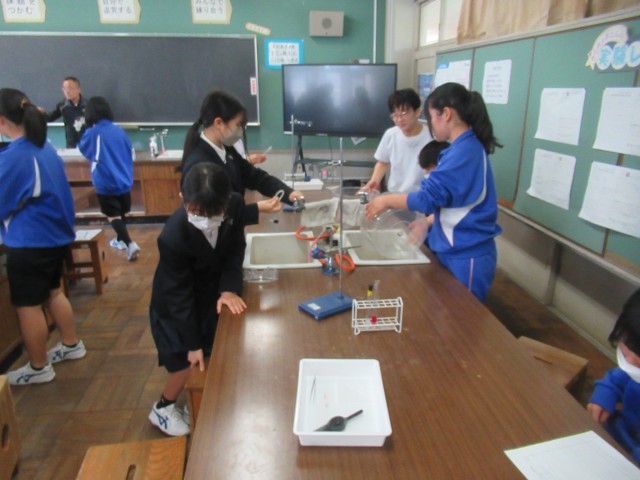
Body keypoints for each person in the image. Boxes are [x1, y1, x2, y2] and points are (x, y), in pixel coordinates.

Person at [365, 82, 502, 302]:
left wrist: (386, 200)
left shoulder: (465, 152)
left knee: (464, 316)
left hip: (467, 252)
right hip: (453, 248)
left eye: (430, 117)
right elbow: (448, 200)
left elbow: (427, 199)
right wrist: (428, 222)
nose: (430, 124)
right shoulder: (460, 148)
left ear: (446, 114)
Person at [148, 163, 247, 436]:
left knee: (211, 348)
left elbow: (235, 250)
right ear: (183, 199)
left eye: (214, 214)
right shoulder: (172, 236)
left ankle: (202, 398)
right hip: (174, 303)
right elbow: (179, 295)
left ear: (226, 201)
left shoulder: (236, 205)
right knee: (187, 360)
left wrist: (228, 289)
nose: (206, 220)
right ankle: (163, 408)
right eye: (198, 213)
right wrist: (192, 344)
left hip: (208, 290)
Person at [0, 88, 86, 385]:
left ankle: (39, 367)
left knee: (28, 305)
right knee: (52, 292)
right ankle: (72, 344)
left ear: (2, 121)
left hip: (31, 242)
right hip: (54, 236)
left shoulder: (17, 156)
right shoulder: (43, 146)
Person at [178, 90, 303, 226]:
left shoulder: (226, 149)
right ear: (219, 123)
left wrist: (288, 193)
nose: (241, 130)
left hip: (233, 232)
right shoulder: (199, 164)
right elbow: (211, 214)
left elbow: (254, 176)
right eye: (238, 125)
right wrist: (256, 208)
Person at [78, 96, 140, 261]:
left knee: (113, 216)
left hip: (106, 180)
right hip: (124, 178)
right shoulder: (118, 130)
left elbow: (84, 149)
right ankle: (120, 240)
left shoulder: (94, 132)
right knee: (121, 212)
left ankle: (130, 243)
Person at [587, 288, 640, 463]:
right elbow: (616, 380)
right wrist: (604, 396)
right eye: (627, 349)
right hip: (616, 437)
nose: (630, 361)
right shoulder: (633, 369)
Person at [363, 88, 432, 194]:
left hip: (420, 196)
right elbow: (382, 162)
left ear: (417, 112)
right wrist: (374, 181)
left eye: (404, 113)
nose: (399, 119)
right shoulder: (390, 134)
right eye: (395, 115)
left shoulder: (431, 137)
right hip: (395, 194)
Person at [45, 76, 86, 148]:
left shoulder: (88, 105)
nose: (67, 91)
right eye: (65, 89)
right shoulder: (62, 106)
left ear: (78, 90)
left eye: (70, 88)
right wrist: (39, 113)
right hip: (71, 144)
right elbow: (49, 117)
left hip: (87, 143)